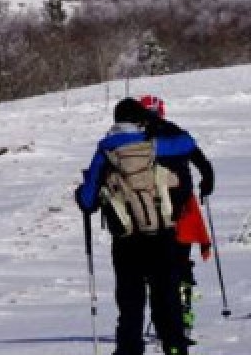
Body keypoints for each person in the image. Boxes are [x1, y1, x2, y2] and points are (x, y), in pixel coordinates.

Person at [76, 97, 200, 355]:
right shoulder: (153, 145)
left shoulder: (105, 151)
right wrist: (155, 123)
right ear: (139, 120)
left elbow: (88, 201)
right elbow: (188, 143)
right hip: (162, 236)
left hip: (127, 241)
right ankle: (175, 348)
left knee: (131, 304)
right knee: (166, 300)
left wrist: (82, 193)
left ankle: (129, 351)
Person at [138, 94, 215, 342]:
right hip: (184, 211)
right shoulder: (180, 135)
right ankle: (184, 317)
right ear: (162, 112)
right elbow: (205, 166)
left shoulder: (140, 140)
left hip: (154, 214)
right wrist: (206, 186)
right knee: (181, 265)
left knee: (157, 267)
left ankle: (163, 317)